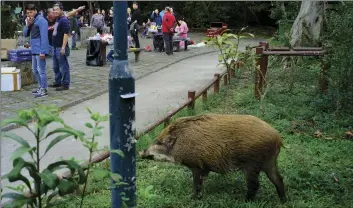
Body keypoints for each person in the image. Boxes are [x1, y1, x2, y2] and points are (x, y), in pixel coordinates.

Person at [24, 4, 49, 98]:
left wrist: (43, 51)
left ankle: (44, 89)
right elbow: (25, 34)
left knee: (41, 70)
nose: (29, 14)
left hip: (40, 50)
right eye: (27, 13)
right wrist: (28, 25)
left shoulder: (42, 21)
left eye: (31, 12)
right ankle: (40, 87)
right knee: (35, 70)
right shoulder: (31, 21)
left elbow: (44, 37)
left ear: (35, 11)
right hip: (33, 49)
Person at [52, 2, 71, 91]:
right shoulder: (57, 19)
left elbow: (66, 34)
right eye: (54, 10)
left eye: (57, 10)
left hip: (60, 47)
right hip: (55, 46)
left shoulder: (64, 20)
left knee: (63, 66)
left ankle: (65, 84)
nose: (55, 11)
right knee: (55, 66)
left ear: (61, 10)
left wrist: (63, 47)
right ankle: (58, 81)